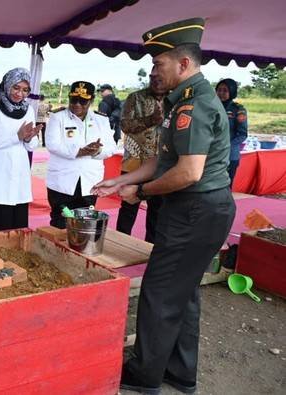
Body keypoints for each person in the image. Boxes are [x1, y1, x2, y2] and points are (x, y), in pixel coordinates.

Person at [92, 18, 236, 394]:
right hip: (198, 209)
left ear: (183, 65)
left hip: (194, 209)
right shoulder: (183, 102)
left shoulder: (195, 106)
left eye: (159, 64)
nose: (154, 71)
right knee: (182, 292)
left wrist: (141, 194)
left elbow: (188, 172)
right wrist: (123, 180)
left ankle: (144, 376)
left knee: (158, 292)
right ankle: (179, 372)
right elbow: (164, 159)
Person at [45, 81, 115, 228]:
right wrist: (79, 151)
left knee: (86, 224)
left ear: (91, 100)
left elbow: (111, 148)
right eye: (73, 100)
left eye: (83, 101)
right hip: (62, 181)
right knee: (60, 222)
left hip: (89, 181)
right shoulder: (58, 117)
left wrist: (97, 151)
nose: (77, 104)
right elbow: (52, 144)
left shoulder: (101, 120)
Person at [0, 68, 41, 232]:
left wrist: (29, 137)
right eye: (16, 87)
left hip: (20, 176)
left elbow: (31, 145)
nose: (19, 93)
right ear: (7, 85)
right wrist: (17, 137)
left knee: (18, 228)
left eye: (25, 90)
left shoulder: (28, 109)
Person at [115, 76, 167, 243]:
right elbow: (125, 126)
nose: (156, 81)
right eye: (153, 78)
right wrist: (150, 120)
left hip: (163, 164)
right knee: (129, 206)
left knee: (158, 210)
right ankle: (121, 244)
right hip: (135, 161)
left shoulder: (175, 100)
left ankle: (150, 248)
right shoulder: (135, 98)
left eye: (160, 78)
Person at [216, 78, 248, 185]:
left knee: (225, 186)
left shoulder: (238, 110)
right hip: (212, 154)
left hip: (230, 155)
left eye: (225, 90)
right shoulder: (211, 107)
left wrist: (226, 145)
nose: (221, 93)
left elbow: (242, 134)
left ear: (232, 92)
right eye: (219, 90)